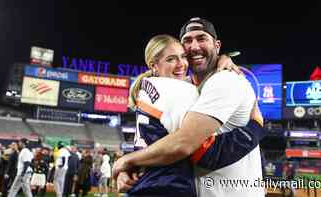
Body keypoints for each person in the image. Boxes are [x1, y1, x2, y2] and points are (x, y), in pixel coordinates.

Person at [113, 17, 265, 197]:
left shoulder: (225, 80)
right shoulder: (181, 88)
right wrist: (256, 128)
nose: (194, 47)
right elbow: (180, 145)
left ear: (217, 45)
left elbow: (185, 144)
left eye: (201, 38)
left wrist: (126, 162)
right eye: (187, 41)